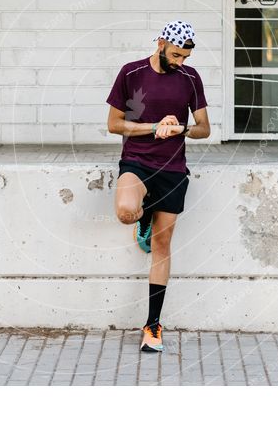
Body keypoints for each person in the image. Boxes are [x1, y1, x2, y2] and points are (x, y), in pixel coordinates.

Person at [105, 20, 210, 353]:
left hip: (173, 169)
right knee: (125, 213)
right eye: (176, 55)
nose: (180, 62)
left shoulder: (191, 79)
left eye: (185, 57)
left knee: (162, 247)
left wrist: (179, 129)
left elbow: (204, 129)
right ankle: (143, 217)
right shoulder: (131, 73)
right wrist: (153, 127)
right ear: (162, 43)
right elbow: (113, 125)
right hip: (136, 162)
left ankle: (152, 326)